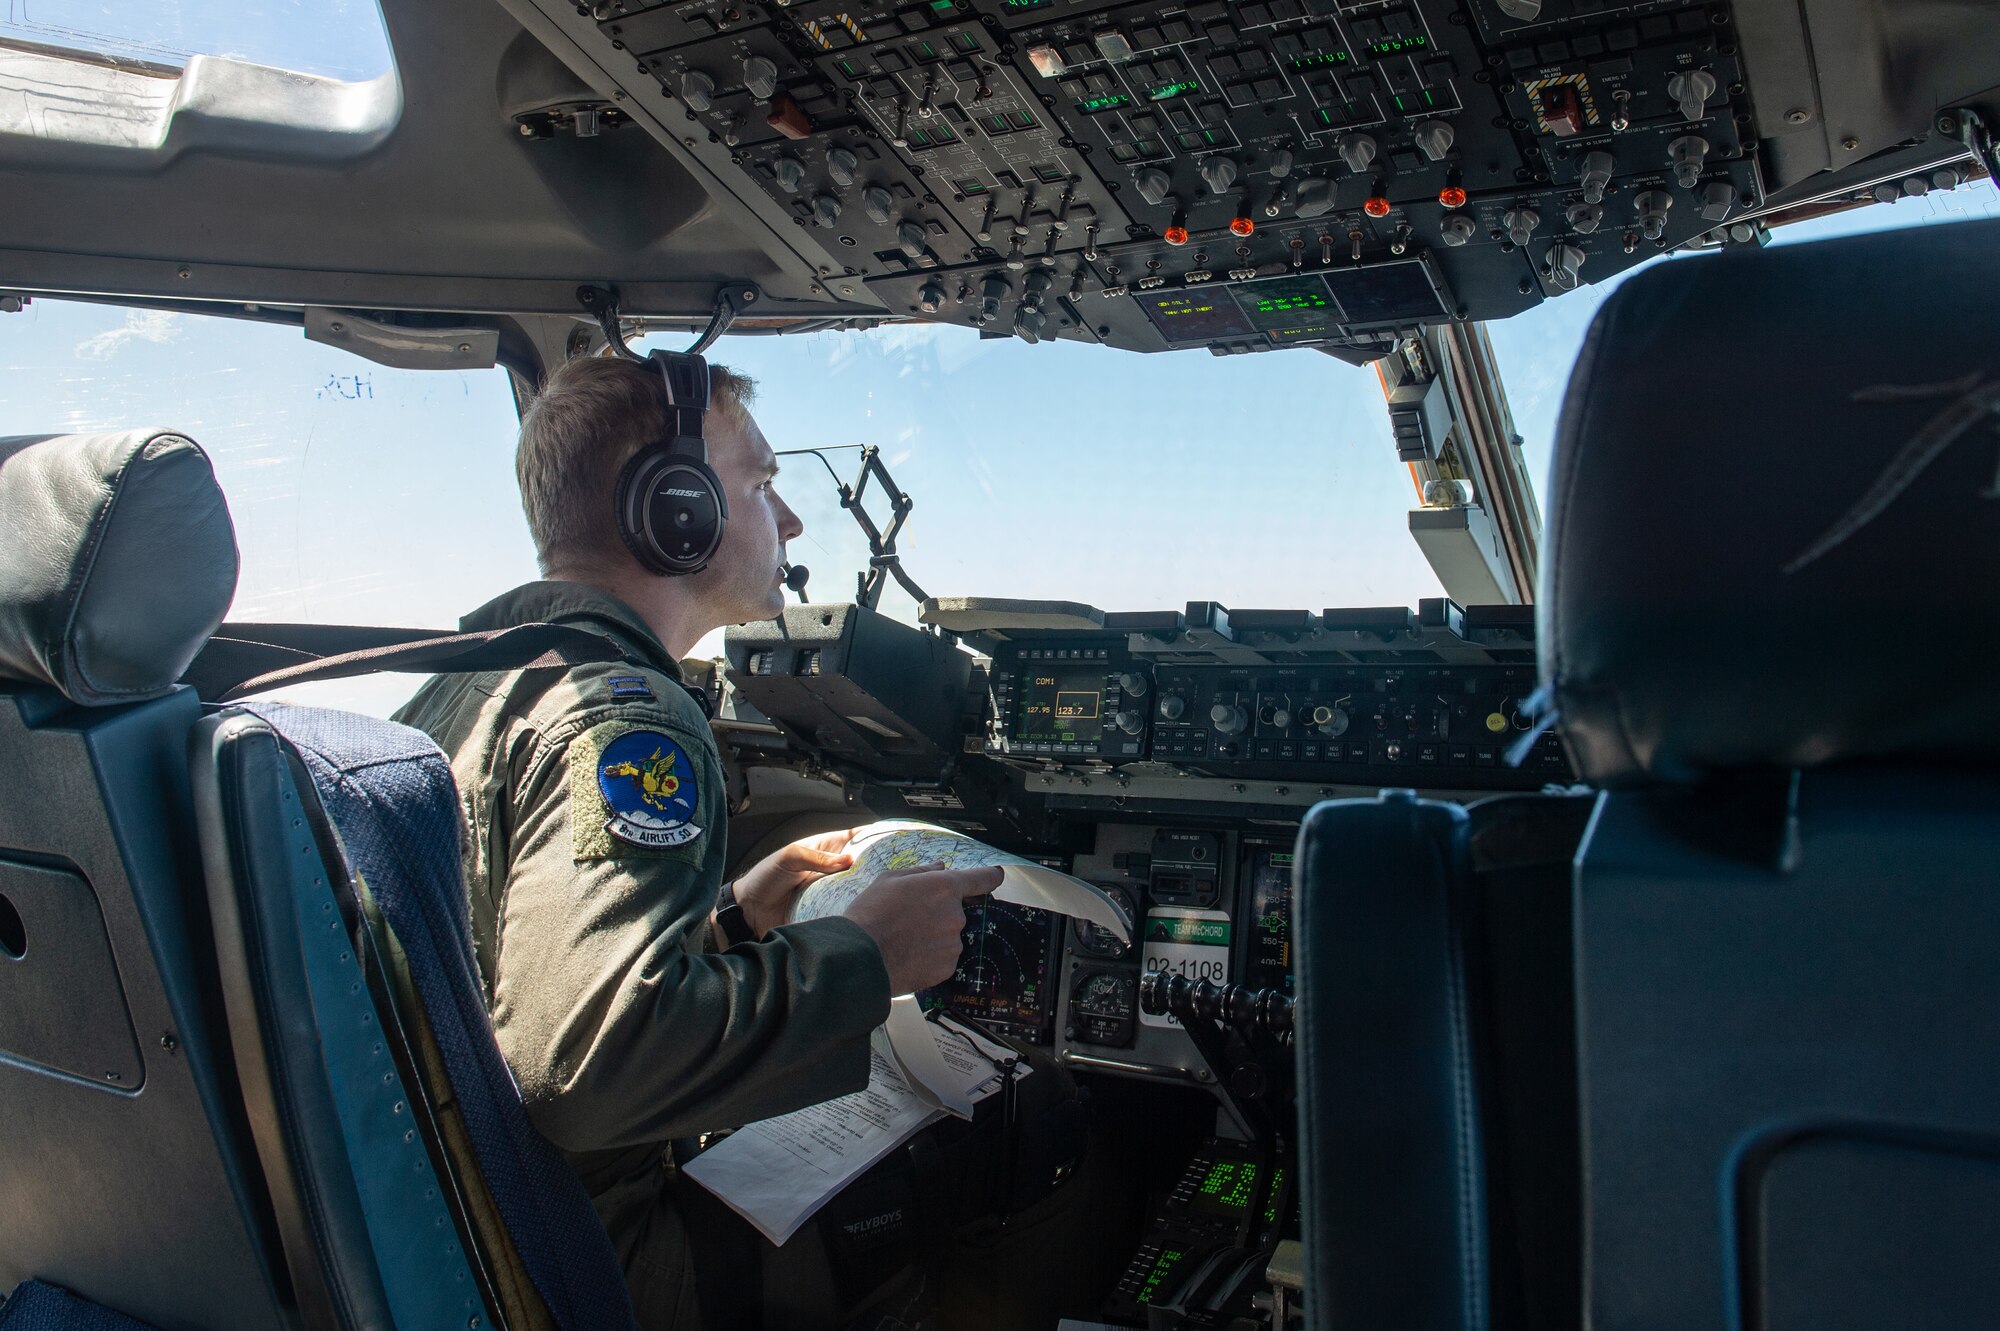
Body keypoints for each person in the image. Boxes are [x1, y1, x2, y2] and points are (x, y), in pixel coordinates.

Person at [395, 353, 1001, 1327]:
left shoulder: (467, 685)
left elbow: (504, 966)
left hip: (448, 1227)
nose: (791, 519)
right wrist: (864, 955)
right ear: (672, 508)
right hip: (578, 1260)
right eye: (761, 484)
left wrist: (733, 919)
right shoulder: (623, 720)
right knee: (1020, 1130)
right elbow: (589, 1072)